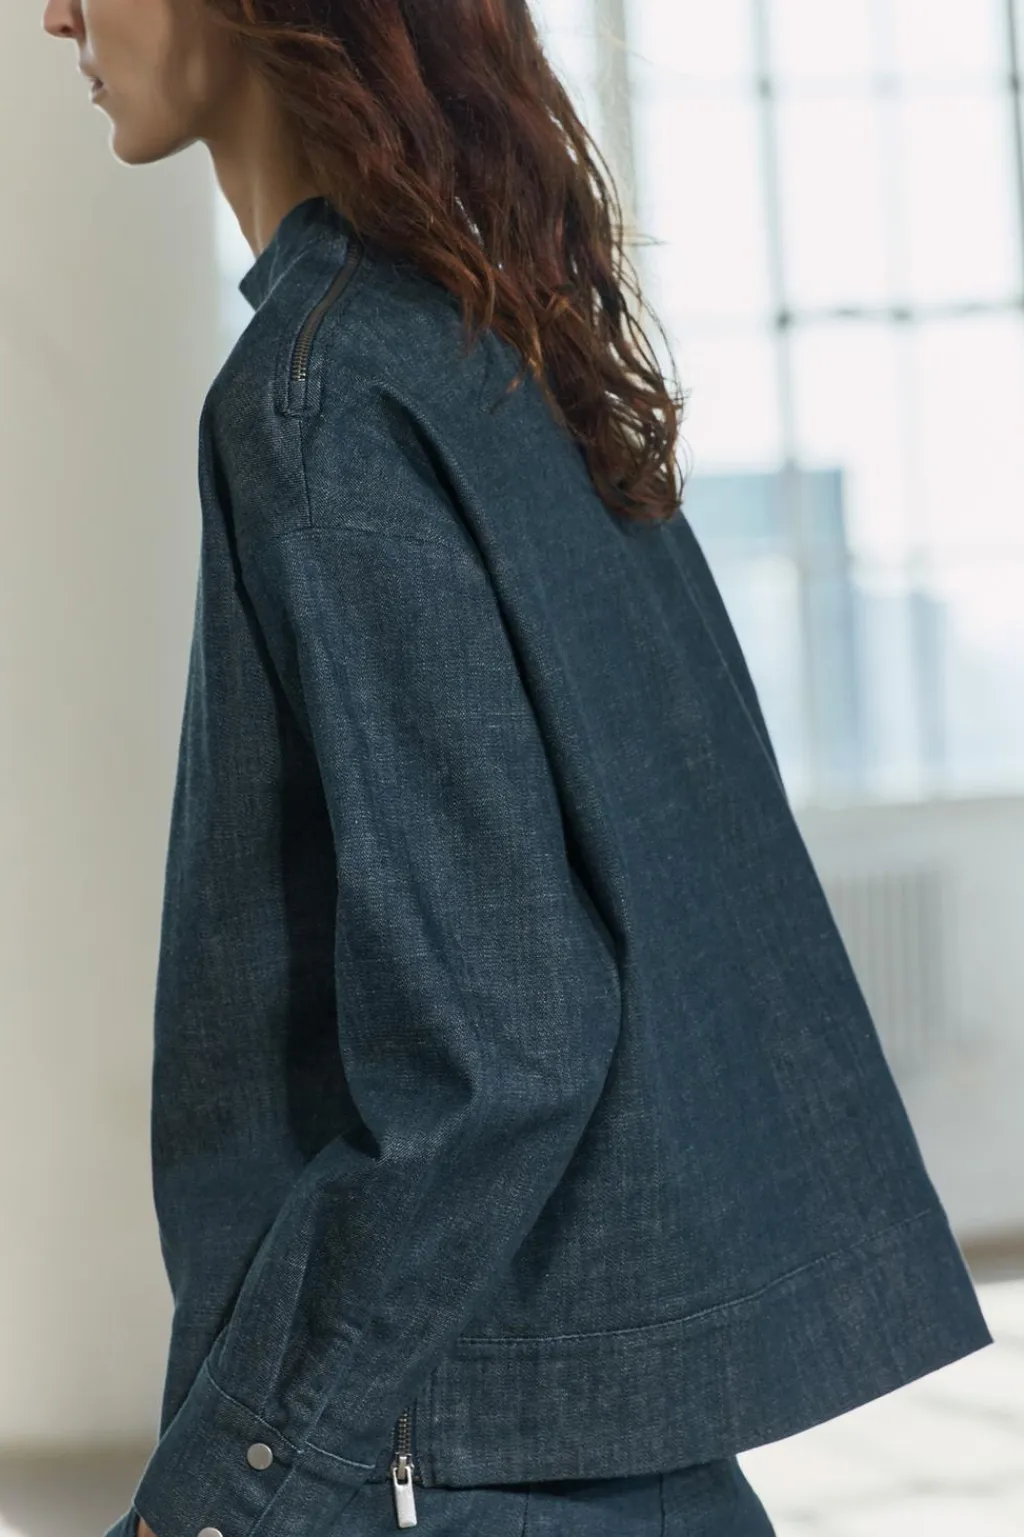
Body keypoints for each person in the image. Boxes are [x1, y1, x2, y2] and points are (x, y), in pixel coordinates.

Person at [43, 2, 994, 1535]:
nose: (53, 11)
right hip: (605, 1449)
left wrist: (226, 1489)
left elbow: (504, 1045)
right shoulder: (496, 342)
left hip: (454, 1465)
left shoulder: (319, 398)